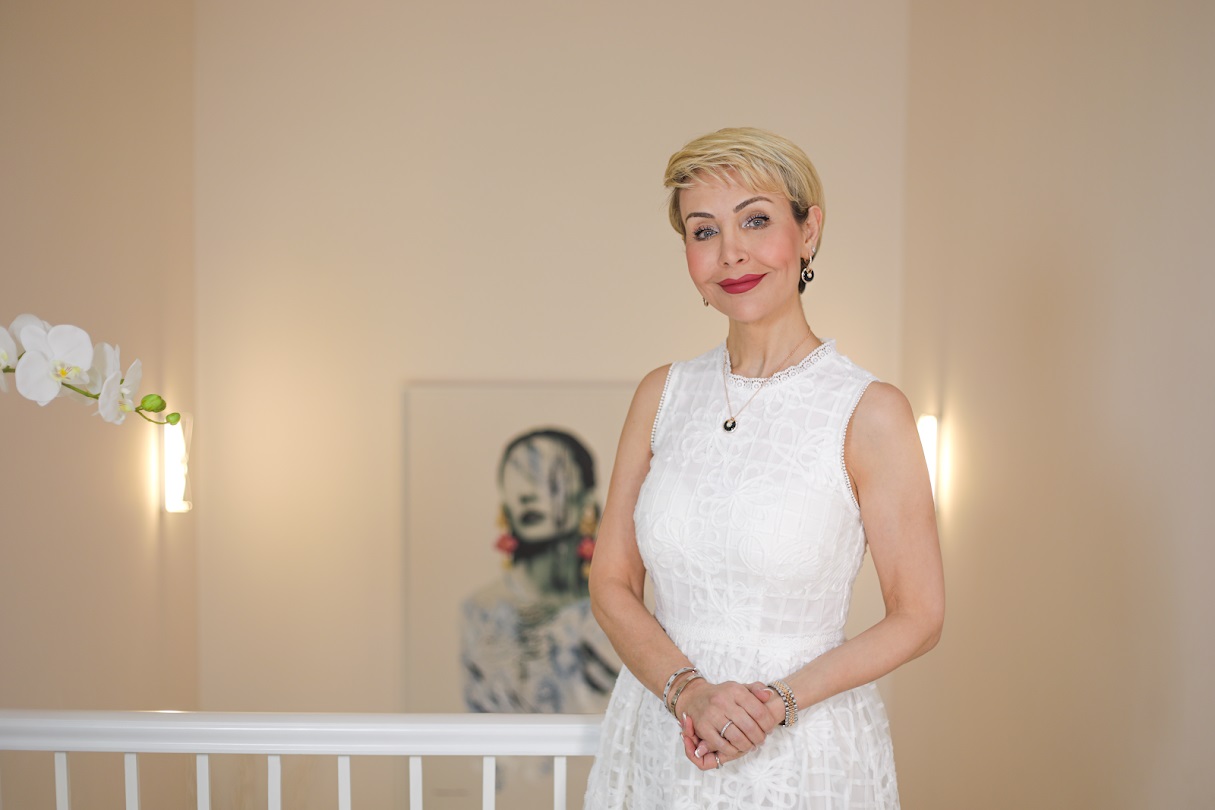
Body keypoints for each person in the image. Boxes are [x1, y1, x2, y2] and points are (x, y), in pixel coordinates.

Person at [582, 128, 944, 809]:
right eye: (703, 230)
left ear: (808, 231)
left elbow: (919, 615)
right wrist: (689, 692)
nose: (731, 253)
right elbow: (611, 583)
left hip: (804, 748)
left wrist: (776, 704)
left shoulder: (870, 412)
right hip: (665, 736)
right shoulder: (660, 396)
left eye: (755, 220)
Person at [461, 428, 619, 715]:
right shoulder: (483, 611)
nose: (527, 494)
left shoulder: (617, 604)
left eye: (548, 476)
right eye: (516, 478)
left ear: (586, 499)